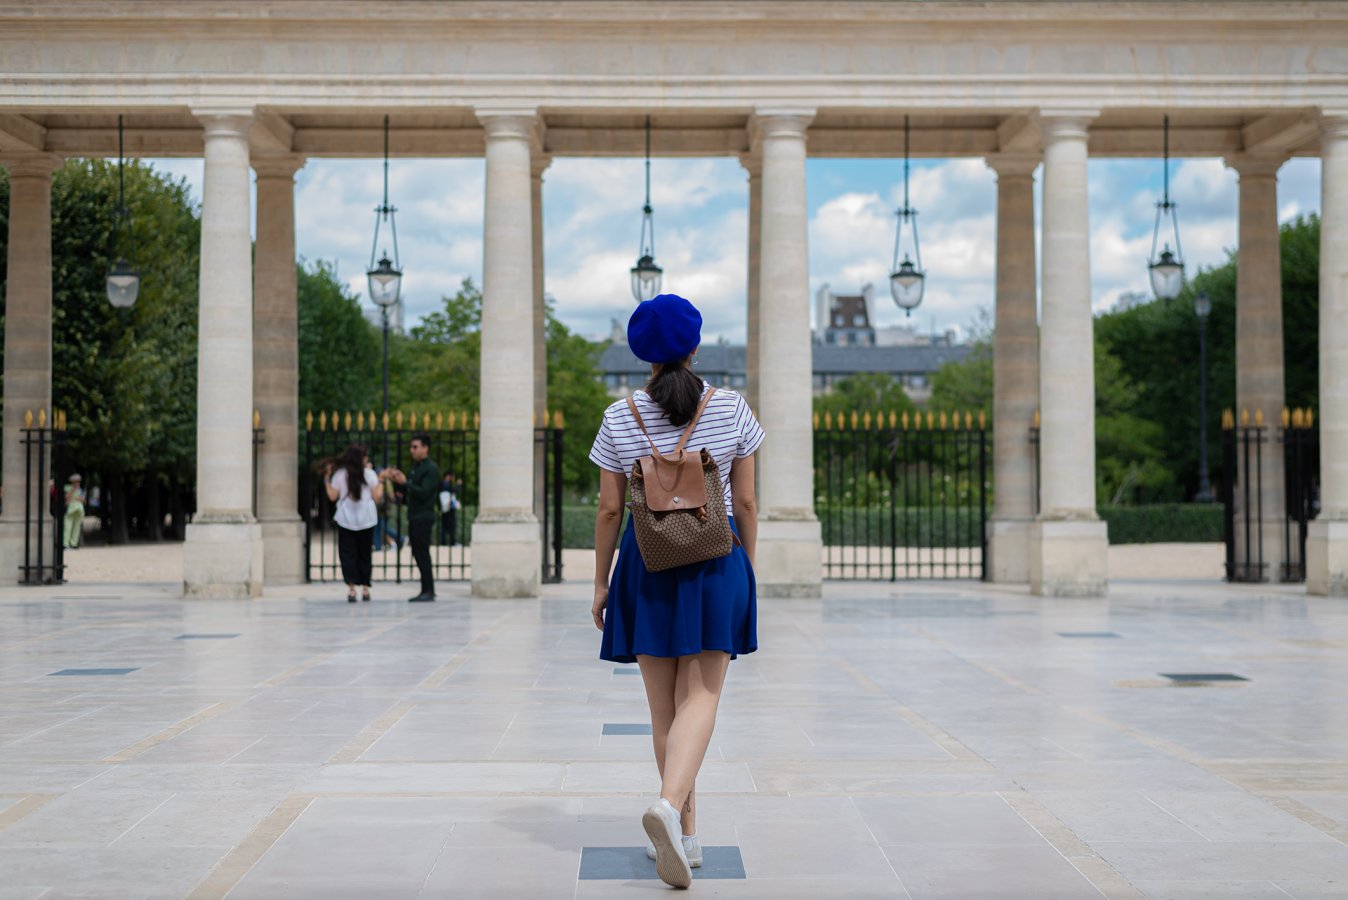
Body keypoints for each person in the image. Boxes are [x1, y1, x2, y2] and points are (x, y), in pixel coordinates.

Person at [589, 293, 762, 889]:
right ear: (694, 346)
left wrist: (601, 582)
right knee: (704, 695)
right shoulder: (732, 407)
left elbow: (611, 509)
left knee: (663, 707)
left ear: (643, 354)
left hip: (647, 560)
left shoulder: (618, 416)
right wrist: (749, 569)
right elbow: (744, 501)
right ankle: (673, 817)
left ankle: (686, 834)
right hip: (717, 558)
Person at [322, 442, 382, 602]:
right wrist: (381, 481)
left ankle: (351, 589)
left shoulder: (340, 474)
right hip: (366, 518)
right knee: (364, 554)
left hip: (346, 518)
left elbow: (332, 496)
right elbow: (377, 496)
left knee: (348, 554)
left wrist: (326, 479)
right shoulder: (369, 474)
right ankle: (366, 588)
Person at [385, 432, 440, 601]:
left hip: (424, 515)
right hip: (415, 515)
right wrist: (398, 481)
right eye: (411, 447)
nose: (412, 450)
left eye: (415, 447)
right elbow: (410, 490)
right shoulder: (417, 467)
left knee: (422, 553)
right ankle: (426, 589)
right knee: (418, 552)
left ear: (425, 448)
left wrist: (405, 482)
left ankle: (428, 590)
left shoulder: (430, 468)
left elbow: (423, 492)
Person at [438, 472, 462, 546]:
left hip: (445, 508)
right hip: (448, 508)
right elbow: (453, 490)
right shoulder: (445, 484)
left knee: (445, 526)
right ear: (448, 476)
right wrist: (458, 485)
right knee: (451, 525)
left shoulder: (443, 484)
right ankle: (451, 541)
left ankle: (444, 541)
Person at [63, 474, 86, 549]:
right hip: (70, 509)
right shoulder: (67, 487)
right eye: (75, 482)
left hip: (79, 509)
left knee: (77, 528)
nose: (77, 483)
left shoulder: (80, 489)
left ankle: (74, 544)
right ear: (72, 482)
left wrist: (75, 498)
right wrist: (73, 491)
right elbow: (67, 498)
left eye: (78, 482)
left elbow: (83, 500)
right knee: (67, 527)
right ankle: (66, 544)